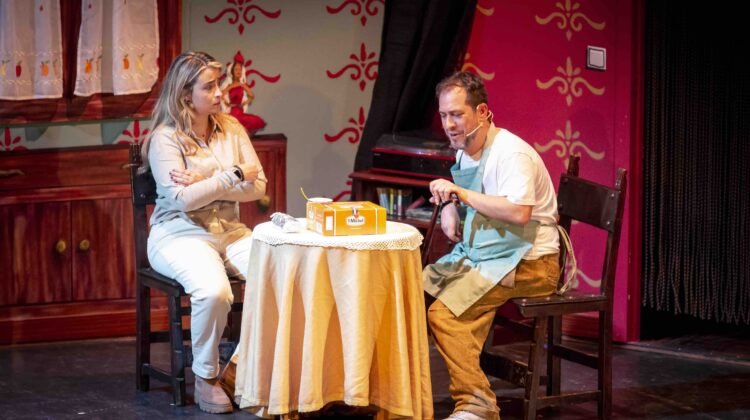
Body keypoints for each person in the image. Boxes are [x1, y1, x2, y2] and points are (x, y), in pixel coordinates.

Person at [423, 72, 561, 420]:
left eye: (457, 115)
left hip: (530, 262)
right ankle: (404, 395)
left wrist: (461, 193)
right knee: (415, 293)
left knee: (445, 316)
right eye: (444, 115)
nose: (449, 125)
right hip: (489, 255)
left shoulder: (511, 153)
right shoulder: (467, 151)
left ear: (482, 112)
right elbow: (475, 198)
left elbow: (518, 211)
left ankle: (478, 405)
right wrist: (451, 206)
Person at [140, 51, 267, 414]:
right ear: (185, 94)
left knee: (281, 275)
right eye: (209, 87)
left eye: (218, 84)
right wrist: (232, 175)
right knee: (214, 292)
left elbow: (259, 186)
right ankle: (206, 377)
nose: (219, 93)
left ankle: (242, 369)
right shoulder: (165, 139)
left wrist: (205, 181)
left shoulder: (231, 128)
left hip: (230, 231)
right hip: (179, 234)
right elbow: (182, 200)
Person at [220, 51, 266, 136]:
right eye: (236, 69)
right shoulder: (229, 85)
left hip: (240, 111)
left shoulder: (242, 85)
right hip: (232, 113)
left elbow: (252, 95)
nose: (238, 71)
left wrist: (245, 102)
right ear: (232, 71)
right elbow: (221, 95)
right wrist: (227, 102)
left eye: (240, 70)